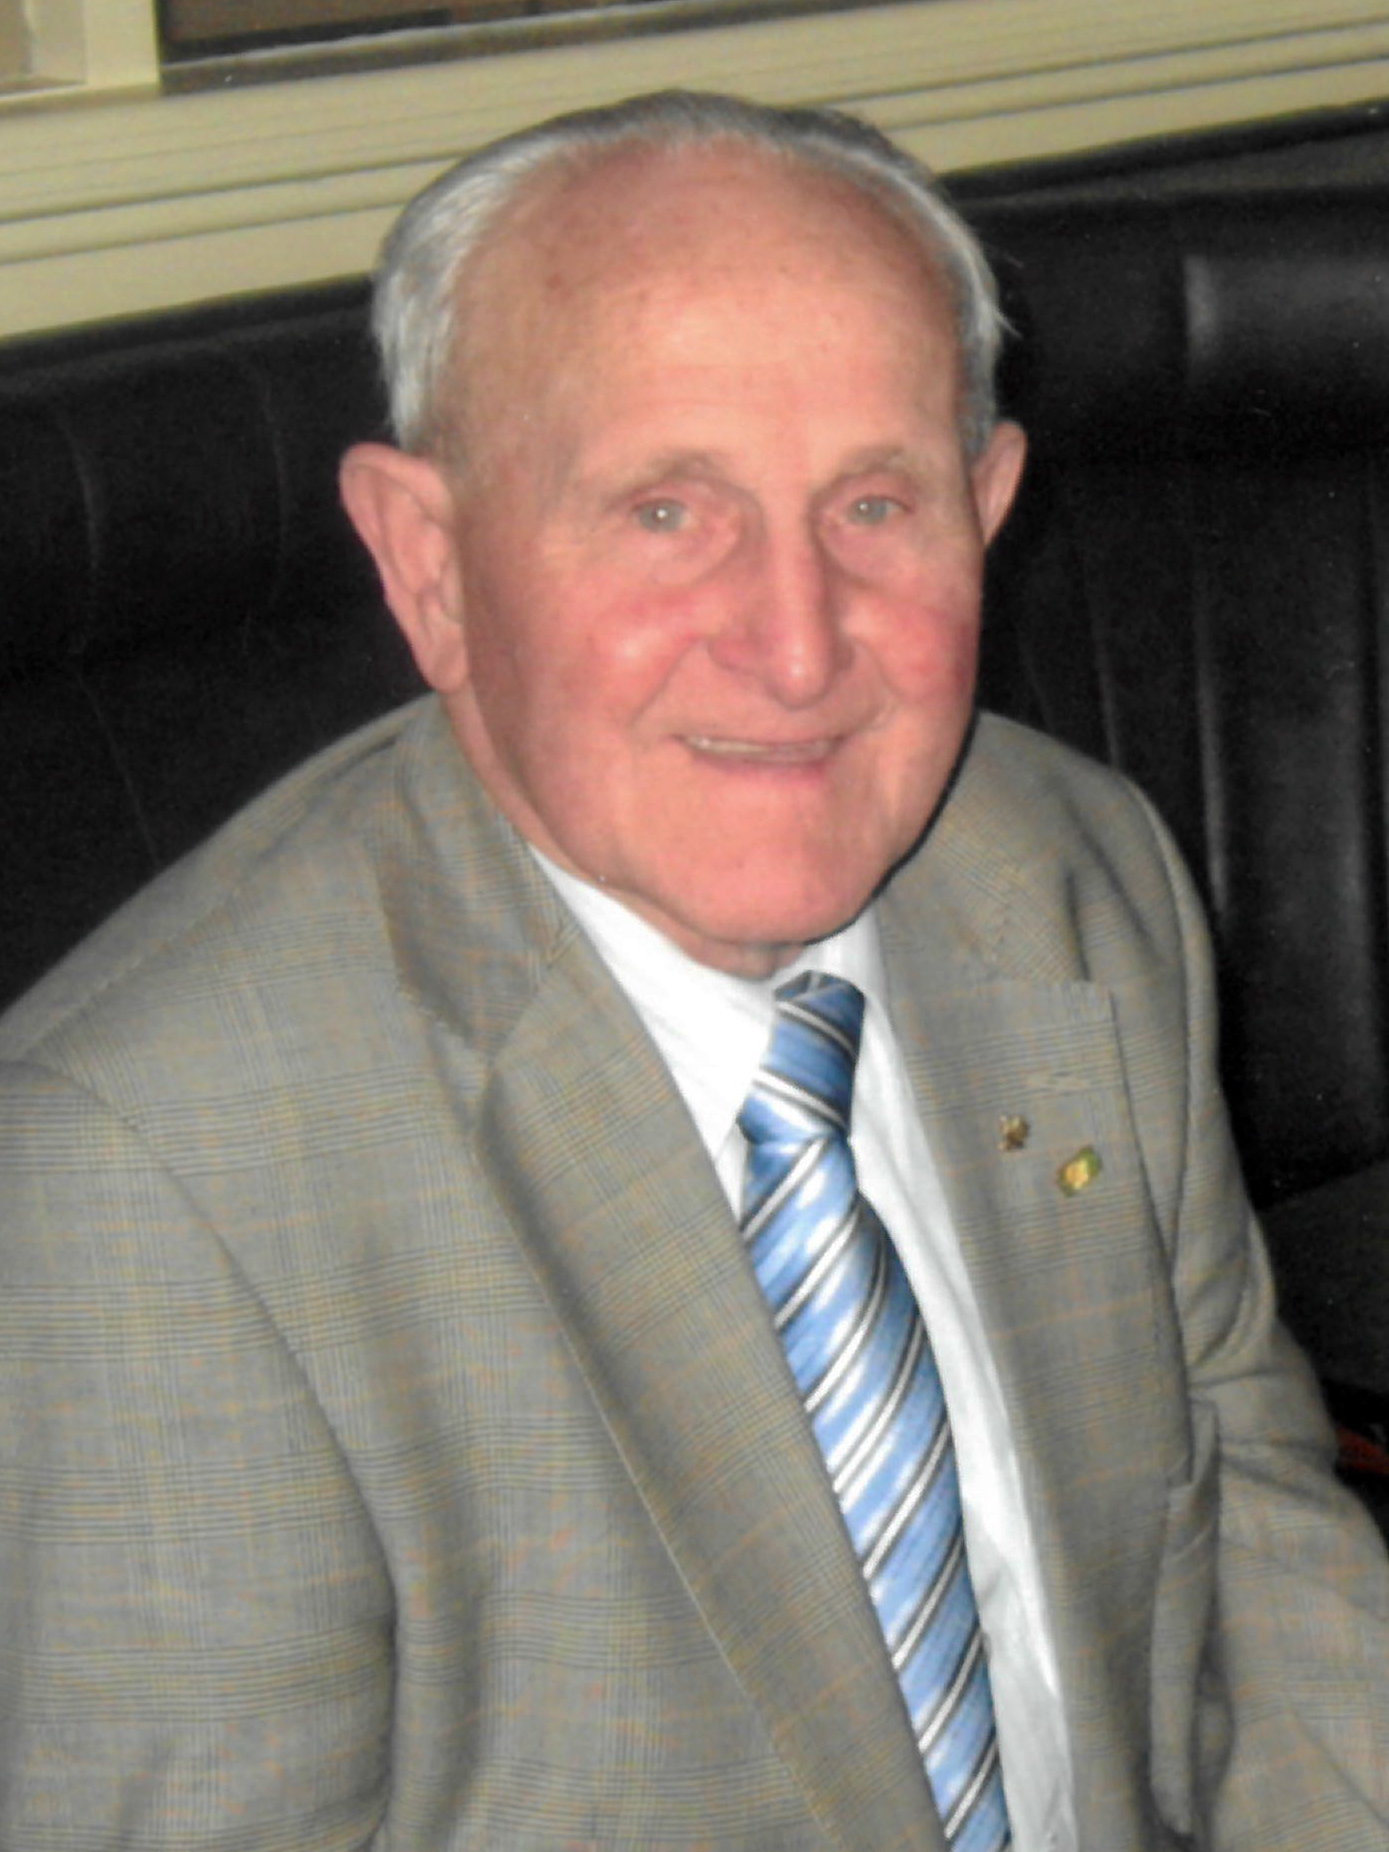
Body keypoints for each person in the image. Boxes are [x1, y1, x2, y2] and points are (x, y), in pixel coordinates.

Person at [0, 90, 1384, 1852]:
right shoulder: (146, 1182)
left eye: (873, 503)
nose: (795, 646)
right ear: (430, 566)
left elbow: (1250, 1511)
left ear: (986, 507)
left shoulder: (1065, 874)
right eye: (666, 512)